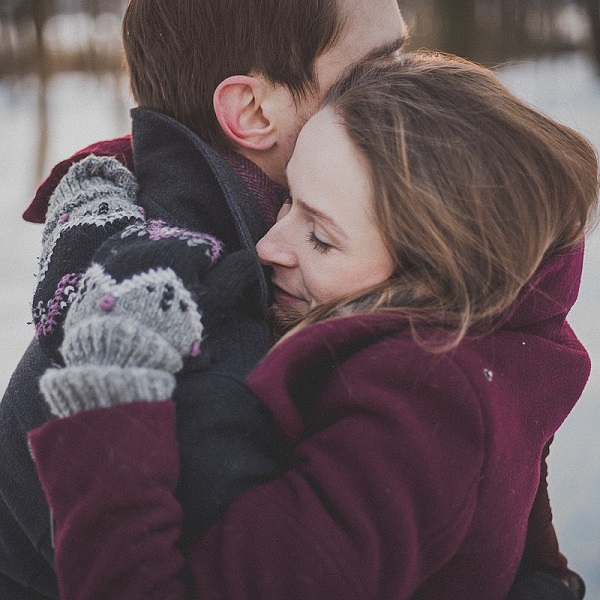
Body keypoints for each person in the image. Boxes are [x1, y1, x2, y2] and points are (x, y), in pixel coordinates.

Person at [26, 51, 598, 599]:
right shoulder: (505, 338)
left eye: (321, 237)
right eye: (287, 199)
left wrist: (110, 393)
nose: (269, 246)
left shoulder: (416, 419)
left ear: (434, 277)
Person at [0, 0, 408, 597]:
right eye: (379, 67)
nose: (415, 87)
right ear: (251, 111)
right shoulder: (195, 343)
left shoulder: (287, 263)